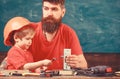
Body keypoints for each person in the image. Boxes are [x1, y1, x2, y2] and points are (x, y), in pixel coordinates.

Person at [30, 0, 88, 70]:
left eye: (54, 9)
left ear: (63, 12)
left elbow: (84, 65)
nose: (49, 14)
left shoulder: (69, 33)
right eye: (46, 9)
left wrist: (78, 63)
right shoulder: (30, 31)